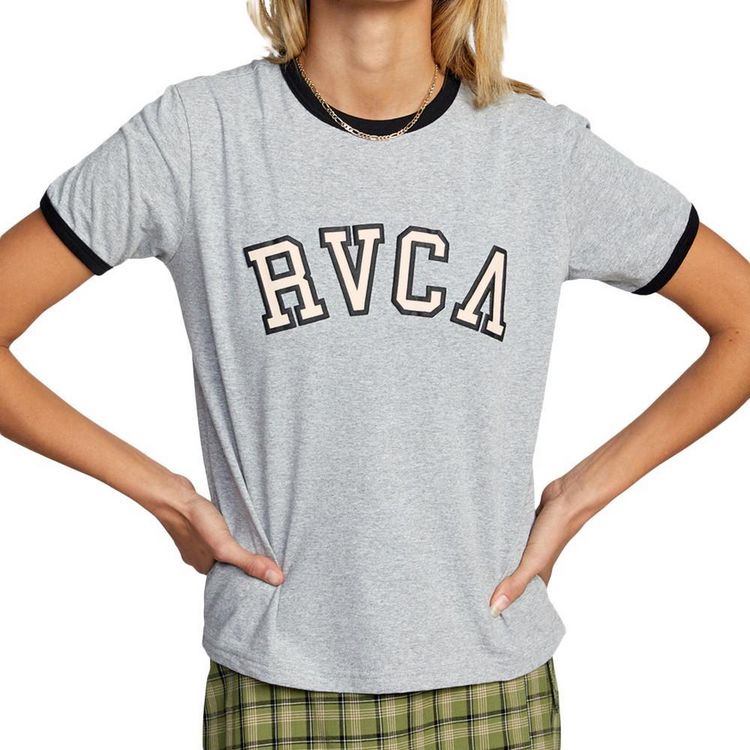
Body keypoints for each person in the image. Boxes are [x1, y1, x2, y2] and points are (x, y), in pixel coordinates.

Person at [1, 0, 748, 748]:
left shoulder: (540, 153)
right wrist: (168, 499)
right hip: (277, 683)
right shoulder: (199, 135)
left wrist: (577, 497)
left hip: (490, 679)